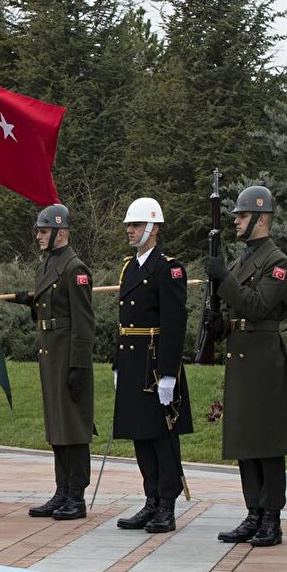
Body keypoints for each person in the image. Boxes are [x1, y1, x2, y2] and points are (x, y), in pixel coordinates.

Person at [205, 185, 286, 547]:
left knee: (266, 441)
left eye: (241, 215)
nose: (235, 220)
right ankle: (253, 512)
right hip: (241, 355)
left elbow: (257, 307)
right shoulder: (243, 260)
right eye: (235, 215)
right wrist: (219, 326)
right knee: (244, 439)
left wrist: (224, 278)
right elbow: (239, 313)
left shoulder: (278, 262)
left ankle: (271, 517)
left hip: (264, 360)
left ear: (261, 217)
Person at [113, 197, 192, 534]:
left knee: (162, 434)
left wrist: (170, 375)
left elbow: (174, 324)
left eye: (136, 225)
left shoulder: (168, 268)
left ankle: (167, 504)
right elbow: (122, 320)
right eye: (129, 225)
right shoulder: (129, 268)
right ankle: (150, 499)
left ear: (153, 227)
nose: (130, 231)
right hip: (133, 360)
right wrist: (117, 363)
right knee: (140, 434)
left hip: (156, 363)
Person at [13, 204, 95, 520]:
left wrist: (79, 365)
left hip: (67, 356)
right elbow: (48, 307)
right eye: (38, 230)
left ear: (61, 232)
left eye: (44, 231)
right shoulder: (49, 264)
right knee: (57, 428)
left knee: (72, 427)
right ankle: (62, 490)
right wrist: (30, 303)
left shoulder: (75, 269)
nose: (38, 236)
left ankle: (76, 495)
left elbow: (83, 322)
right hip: (50, 353)